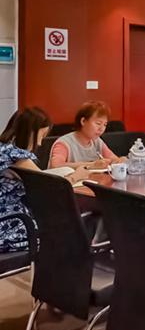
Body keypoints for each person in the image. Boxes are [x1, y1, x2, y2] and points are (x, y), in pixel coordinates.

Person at [1, 108, 90, 253]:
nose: (40, 143)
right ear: (31, 132)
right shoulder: (16, 156)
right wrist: (76, 176)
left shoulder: (3, 148)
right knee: (70, 227)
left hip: (8, 218)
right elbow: (49, 188)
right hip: (11, 225)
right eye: (41, 136)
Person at [49, 101, 126, 169]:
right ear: (83, 121)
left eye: (105, 124)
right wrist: (92, 165)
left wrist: (119, 160)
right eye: (98, 123)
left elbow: (112, 158)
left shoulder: (97, 141)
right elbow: (56, 166)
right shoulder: (64, 143)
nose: (101, 129)